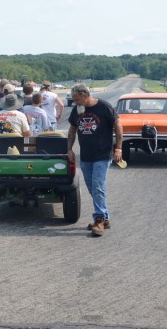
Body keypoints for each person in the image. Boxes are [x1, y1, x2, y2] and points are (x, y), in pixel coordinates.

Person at [67, 83, 123, 237]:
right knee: (93, 188)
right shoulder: (77, 110)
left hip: (102, 155)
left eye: (77, 99)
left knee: (98, 186)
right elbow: (72, 130)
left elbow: (118, 125)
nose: (75, 102)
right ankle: (105, 218)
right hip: (85, 156)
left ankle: (99, 220)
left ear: (85, 95)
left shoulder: (104, 107)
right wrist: (69, 149)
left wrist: (118, 148)